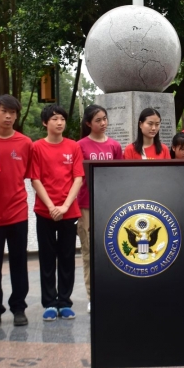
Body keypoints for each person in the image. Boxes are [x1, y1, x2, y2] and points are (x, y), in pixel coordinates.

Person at [30, 105, 84, 321]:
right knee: (47, 257)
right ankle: (50, 303)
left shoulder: (73, 146)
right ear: (45, 123)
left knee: (67, 257)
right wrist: (51, 206)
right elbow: (35, 179)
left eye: (62, 119)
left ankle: (65, 302)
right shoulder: (37, 147)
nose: (59, 122)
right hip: (44, 211)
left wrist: (64, 206)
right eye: (54, 119)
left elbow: (78, 178)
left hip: (68, 212)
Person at [0, 94, 33, 328]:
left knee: (18, 262)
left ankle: (18, 307)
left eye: (12, 112)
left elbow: (27, 174)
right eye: (4, 111)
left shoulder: (25, 143)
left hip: (17, 212)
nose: (8, 116)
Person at [77, 105, 123, 312]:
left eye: (105, 118)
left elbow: (120, 175)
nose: (103, 123)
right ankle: (92, 295)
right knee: (89, 251)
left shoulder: (114, 146)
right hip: (86, 204)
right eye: (98, 120)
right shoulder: (80, 146)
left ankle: (111, 291)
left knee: (111, 249)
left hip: (110, 204)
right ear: (88, 123)